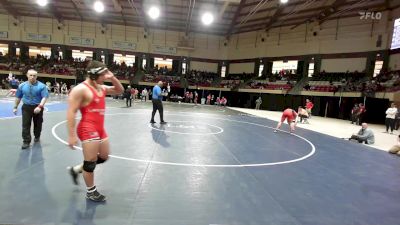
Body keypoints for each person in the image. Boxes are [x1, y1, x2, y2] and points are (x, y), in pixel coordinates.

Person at [66, 60, 124, 202]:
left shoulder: (101, 88)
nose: (105, 77)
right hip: (87, 128)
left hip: (99, 128)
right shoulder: (80, 89)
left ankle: (76, 169)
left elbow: (119, 90)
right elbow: (71, 112)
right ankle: (91, 192)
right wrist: (72, 135)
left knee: (104, 156)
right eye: (103, 74)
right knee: (90, 163)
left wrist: (112, 77)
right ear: (93, 75)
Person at [13, 69, 49, 149]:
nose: (32, 77)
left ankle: (37, 136)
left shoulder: (42, 86)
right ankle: (26, 141)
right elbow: (18, 97)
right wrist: (15, 107)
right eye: (30, 75)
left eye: (34, 75)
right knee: (25, 125)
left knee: (38, 124)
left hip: (37, 107)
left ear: (37, 76)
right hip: (26, 107)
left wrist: (40, 107)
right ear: (27, 75)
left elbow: (44, 97)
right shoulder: (22, 86)